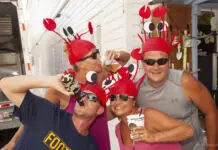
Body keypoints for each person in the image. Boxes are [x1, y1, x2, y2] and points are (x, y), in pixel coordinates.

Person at [1, 19, 130, 150]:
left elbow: (125, 59)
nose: (99, 58)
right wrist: (13, 141)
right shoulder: (63, 85)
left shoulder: (100, 74)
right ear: (80, 63)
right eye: (93, 56)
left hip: (99, 142)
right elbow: (35, 116)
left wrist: (118, 54)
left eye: (97, 53)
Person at [130, 4, 218, 150]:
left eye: (162, 61)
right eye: (150, 62)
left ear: (169, 62)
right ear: (143, 63)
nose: (156, 66)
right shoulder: (137, 88)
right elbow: (130, 119)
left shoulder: (184, 81)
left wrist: (213, 147)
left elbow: (210, 111)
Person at [0, 74, 107, 150]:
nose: (84, 99)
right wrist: (50, 81)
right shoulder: (47, 112)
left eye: (92, 97)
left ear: (100, 110)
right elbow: (5, 85)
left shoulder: (90, 146)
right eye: (83, 94)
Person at [108, 77, 194, 150]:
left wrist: (153, 137)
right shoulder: (118, 128)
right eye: (113, 98)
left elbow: (188, 130)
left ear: (133, 101)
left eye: (123, 97)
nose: (117, 102)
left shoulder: (148, 115)